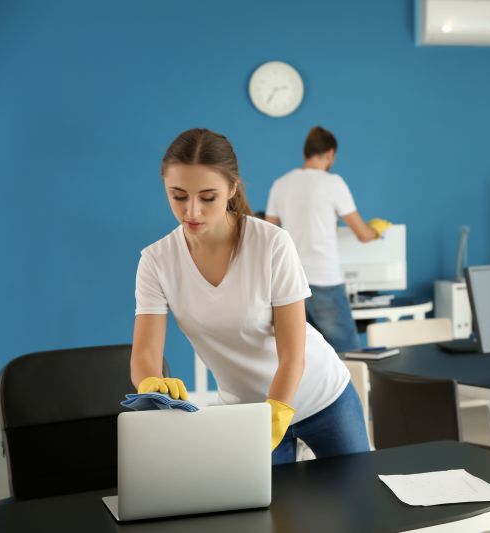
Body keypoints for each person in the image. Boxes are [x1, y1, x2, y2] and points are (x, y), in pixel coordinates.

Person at [130, 128, 370, 465]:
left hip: (321, 396)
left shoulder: (271, 244)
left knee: (356, 502)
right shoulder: (156, 261)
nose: (192, 211)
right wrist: (151, 382)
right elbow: (145, 354)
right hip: (246, 411)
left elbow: (293, 355)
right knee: (269, 515)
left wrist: (276, 412)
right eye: (178, 195)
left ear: (231, 188)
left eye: (207, 197)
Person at [265, 126, 391, 353]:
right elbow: (362, 234)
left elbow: (269, 233)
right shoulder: (333, 183)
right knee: (350, 356)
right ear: (330, 154)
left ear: (305, 154)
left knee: (304, 357)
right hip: (325, 280)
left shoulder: (280, 185)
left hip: (291, 282)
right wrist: (376, 230)